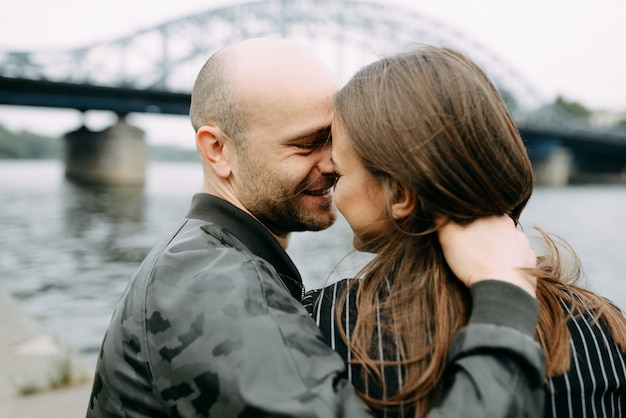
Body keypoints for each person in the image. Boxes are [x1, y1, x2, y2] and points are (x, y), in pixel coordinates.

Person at [86, 37, 546, 417]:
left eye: (337, 139)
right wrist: (504, 295)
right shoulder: (208, 286)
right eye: (307, 144)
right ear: (217, 150)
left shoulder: (218, 259)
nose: (335, 163)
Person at [303, 44, 626, 418]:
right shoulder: (598, 325)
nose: (330, 185)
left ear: (401, 196)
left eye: (339, 173)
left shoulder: (320, 327)